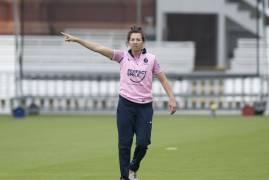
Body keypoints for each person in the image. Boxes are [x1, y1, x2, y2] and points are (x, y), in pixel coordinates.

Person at [61, 25, 177, 180]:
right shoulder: (122, 56)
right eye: (132, 39)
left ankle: (133, 168)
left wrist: (172, 98)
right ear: (128, 42)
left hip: (145, 107)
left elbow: (162, 79)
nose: (135, 42)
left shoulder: (151, 59)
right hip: (125, 105)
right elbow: (98, 48)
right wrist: (77, 40)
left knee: (143, 143)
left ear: (143, 42)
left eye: (138, 39)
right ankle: (124, 177)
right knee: (124, 144)